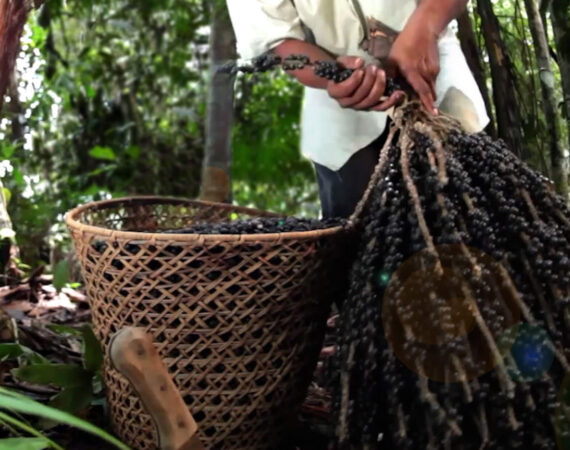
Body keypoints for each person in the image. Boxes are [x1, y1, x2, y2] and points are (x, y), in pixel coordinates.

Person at [226, 0, 490, 218]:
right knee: (357, 230)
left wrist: (428, 22)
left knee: (469, 207)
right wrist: (334, 76)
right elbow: (278, 40)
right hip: (339, 93)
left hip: (430, 63)